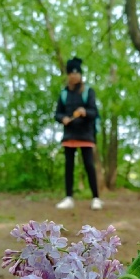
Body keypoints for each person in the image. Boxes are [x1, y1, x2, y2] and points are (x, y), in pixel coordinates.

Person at [55, 57, 103, 210]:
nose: (74, 75)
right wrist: (63, 119)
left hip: (85, 134)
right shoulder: (63, 94)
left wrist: (84, 112)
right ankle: (68, 197)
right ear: (68, 74)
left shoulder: (88, 91)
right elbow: (57, 114)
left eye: (76, 72)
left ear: (80, 74)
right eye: (71, 73)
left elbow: (94, 112)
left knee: (89, 165)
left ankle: (96, 198)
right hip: (69, 135)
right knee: (69, 166)